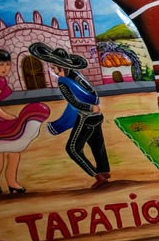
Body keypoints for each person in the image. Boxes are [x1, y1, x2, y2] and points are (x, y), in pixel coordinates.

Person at [28, 43, 112, 189]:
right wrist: (93, 106)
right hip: (96, 117)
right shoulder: (77, 75)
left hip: (85, 116)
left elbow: (74, 102)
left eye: (54, 67)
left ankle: (98, 175)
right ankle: (104, 171)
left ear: (61, 67)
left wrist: (90, 107)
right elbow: (92, 94)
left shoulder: (63, 82)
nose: (54, 71)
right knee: (97, 144)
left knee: (73, 148)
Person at [0, 50, 49, 194]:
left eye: (8, 65)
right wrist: (7, 116)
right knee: (13, 148)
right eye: (1, 64)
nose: (5, 68)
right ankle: (11, 182)